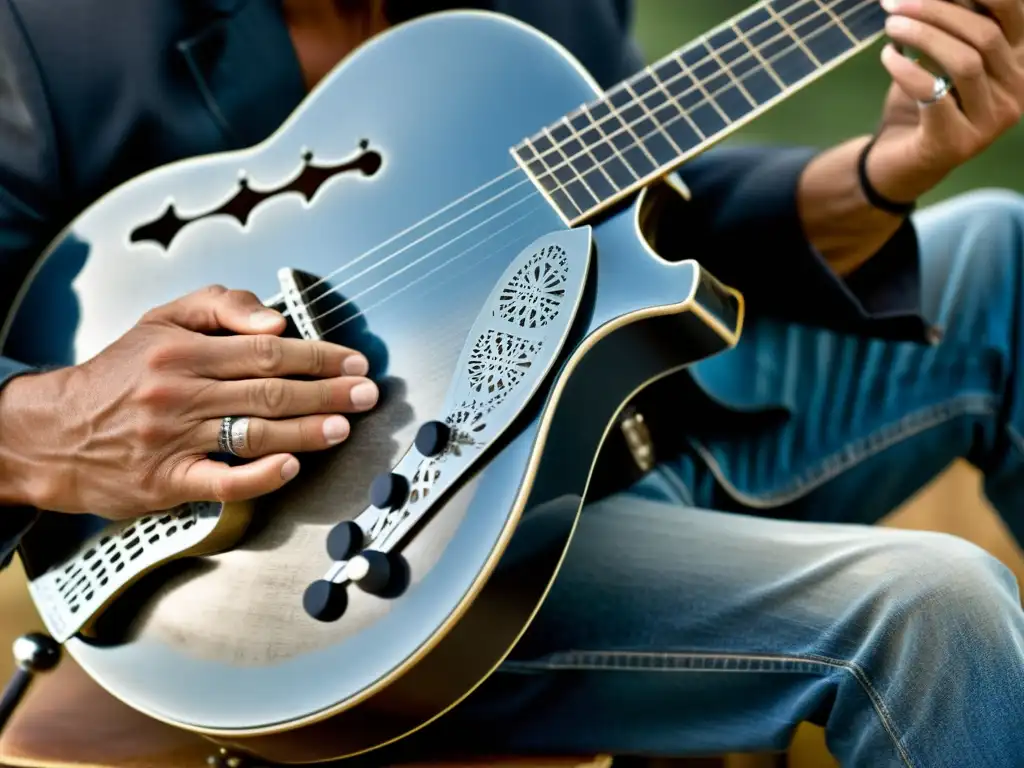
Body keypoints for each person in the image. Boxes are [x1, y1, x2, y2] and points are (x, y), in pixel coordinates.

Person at [0, 0, 1023, 765]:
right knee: (932, 603)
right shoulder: (48, 44)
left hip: (637, 424)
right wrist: (54, 419)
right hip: (434, 576)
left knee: (998, 249)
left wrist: (878, 173)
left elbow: (641, 200)